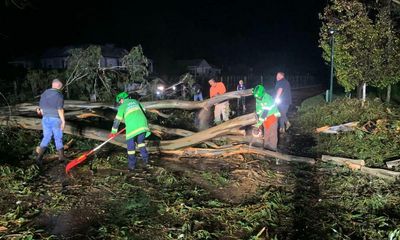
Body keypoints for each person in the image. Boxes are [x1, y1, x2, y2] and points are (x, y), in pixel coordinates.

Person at [109, 92, 151, 171]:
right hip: (143, 125)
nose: (119, 103)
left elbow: (117, 120)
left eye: (119, 101)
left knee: (130, 147)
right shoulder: (136, 101)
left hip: (132, 127)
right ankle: (146, 160)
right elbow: (144, 111)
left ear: (122, 99)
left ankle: (132, 166)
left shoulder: (122, 106)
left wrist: (113, 132)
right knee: (141, 142)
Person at [36, 79, 67, 166]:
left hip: (45, 118)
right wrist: (63, 121)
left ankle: (39, 158)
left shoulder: (44, 93)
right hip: (55, 119)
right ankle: (61, 158)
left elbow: (40, 110)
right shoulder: (59, 95)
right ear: (59, 86)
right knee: (58, 137)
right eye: (61, 87)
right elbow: (60, 109)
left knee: (46, 137)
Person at [253, 85, 281, 151]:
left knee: (272, 133)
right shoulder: (258, 98)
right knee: (266, 132)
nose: (258, 98)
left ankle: (273, 148)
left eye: (259, 97)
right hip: (265, 119)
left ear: (263, 93)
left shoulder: (268, 99)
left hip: (272, 117)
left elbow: (265, 113)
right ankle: (266, 147)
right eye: (257, 97)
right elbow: (259, 110)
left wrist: (259, 124)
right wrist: (257, 117)